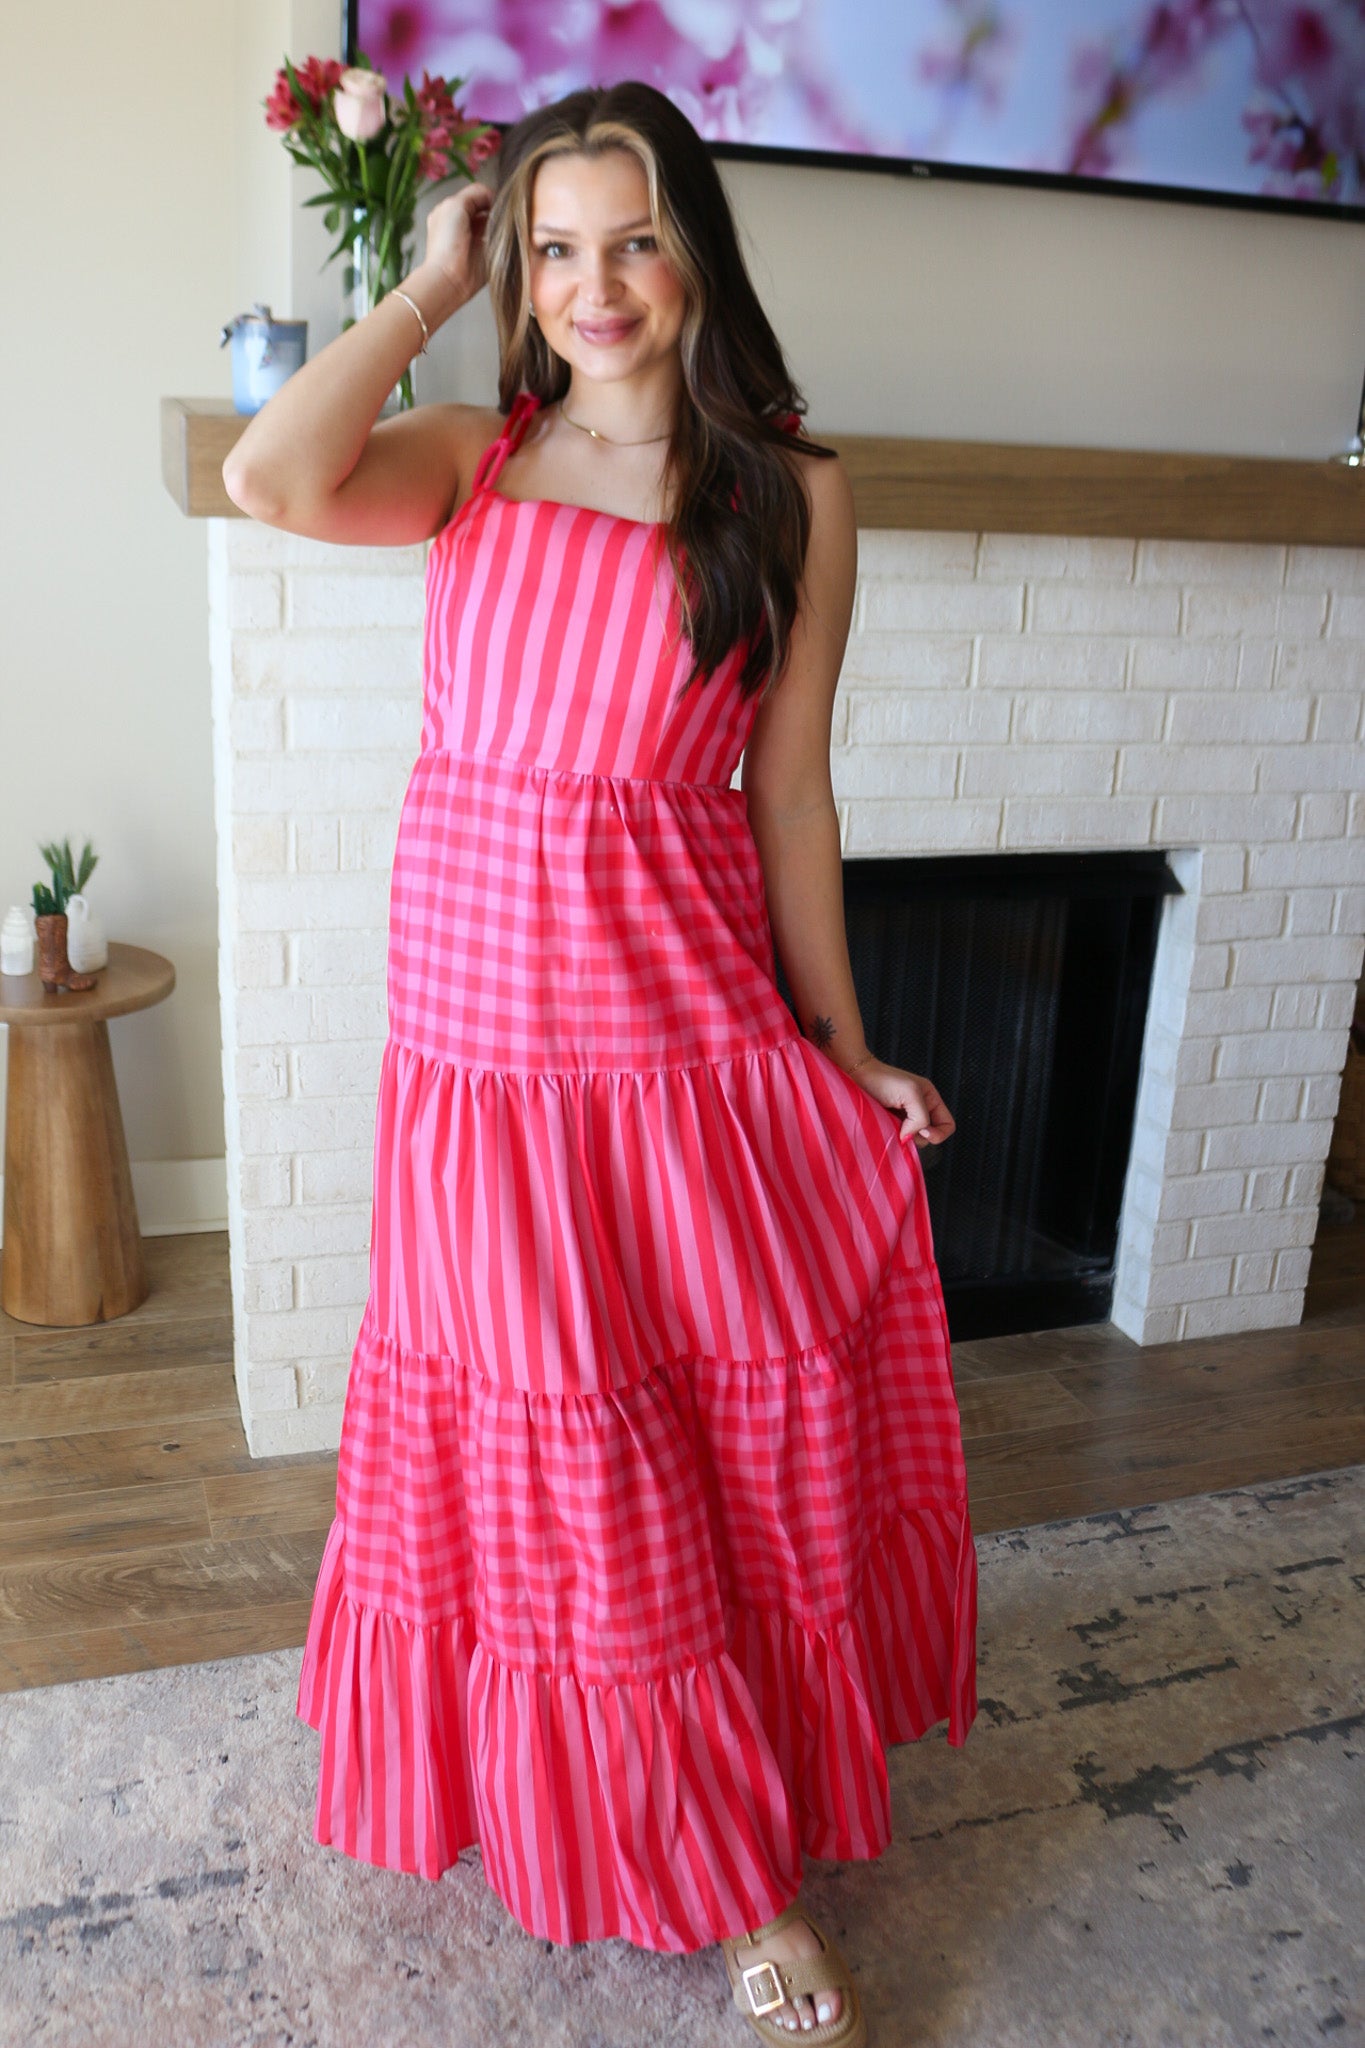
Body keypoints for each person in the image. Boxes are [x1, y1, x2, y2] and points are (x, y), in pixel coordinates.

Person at [224, 78, 977, 2046]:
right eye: (554, 248)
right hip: (478, 1065)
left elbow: (788, 800)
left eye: (632, 239)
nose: (595, 284)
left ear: (696, 251)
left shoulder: (790, 496)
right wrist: (428, 279)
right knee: (548, 1457)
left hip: (677, 1048)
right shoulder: (473, 453)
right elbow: (271, 478)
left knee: (686, 1453)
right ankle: (600, 1798)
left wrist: (842, 1048)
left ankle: (740, 1875)